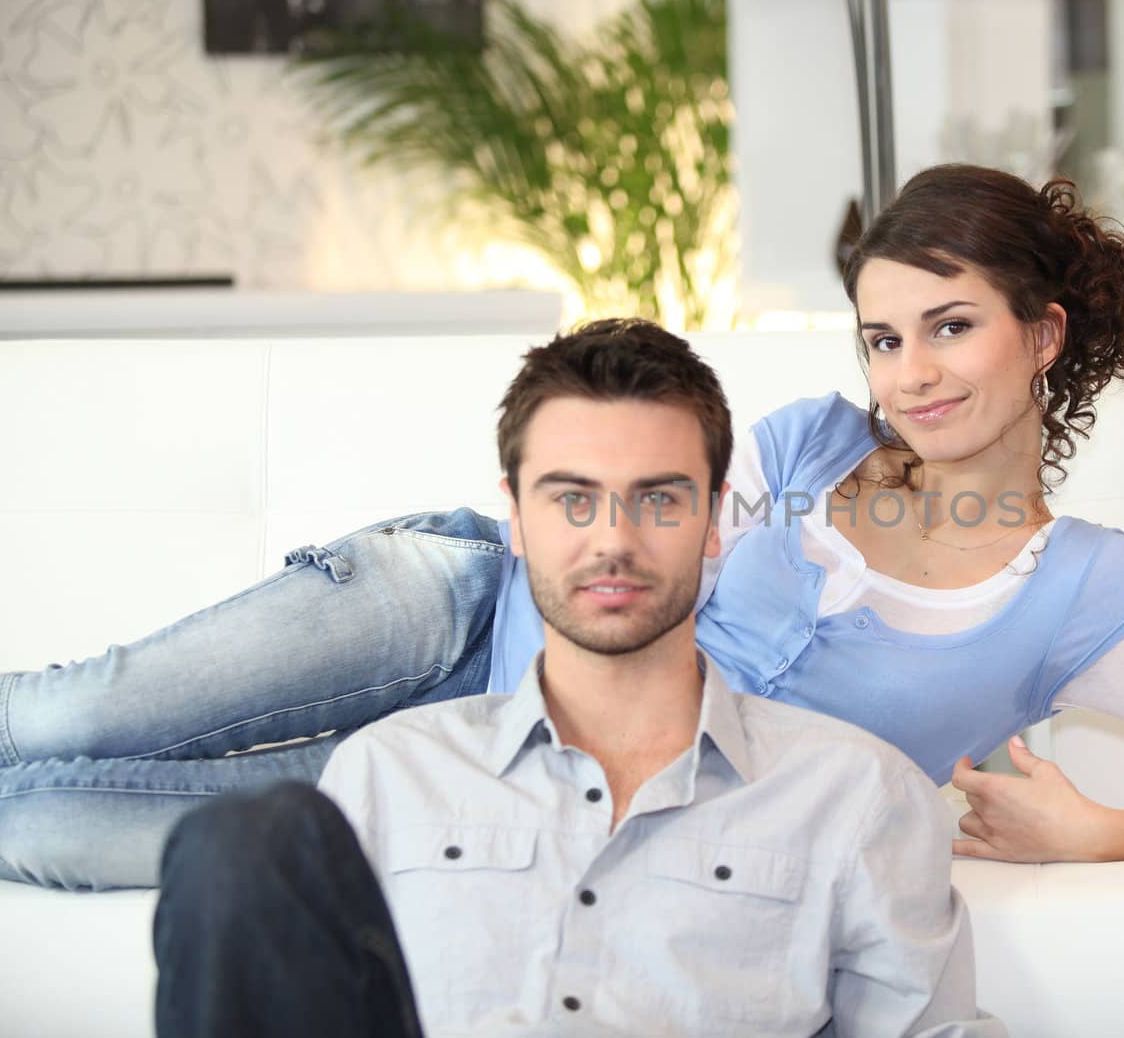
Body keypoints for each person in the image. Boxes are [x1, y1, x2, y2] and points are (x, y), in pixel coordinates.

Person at [0, 165, 1124, 891]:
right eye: (885, 337)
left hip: (500, 786)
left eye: (951, 326)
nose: (913, 373)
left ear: (1045, 331)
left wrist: (1100, 832)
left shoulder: (1084, 586)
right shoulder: (806, 440)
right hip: (465, 599)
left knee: (50, 826)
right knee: (59, 717)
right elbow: (641, 555)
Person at [150, 321, 1002, 1037]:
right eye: (571, 498)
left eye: (659, 498)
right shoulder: (388, 771)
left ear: (713, 520)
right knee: (238, 844)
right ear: (515, 518)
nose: (614, 539)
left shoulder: (855, 794)